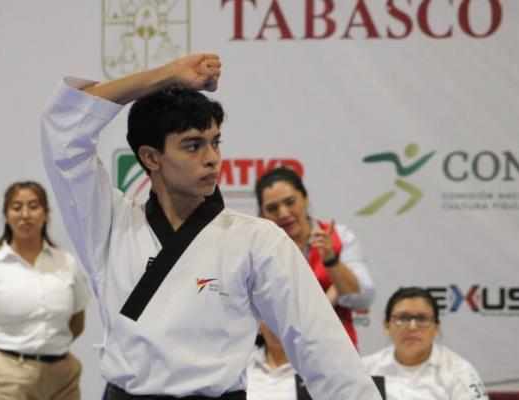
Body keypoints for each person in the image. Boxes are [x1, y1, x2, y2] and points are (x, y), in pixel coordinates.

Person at [41, 53, 380, 399]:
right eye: (193, 145)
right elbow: (65, 128)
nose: (211, 157)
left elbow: (322, 347)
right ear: (150, 157)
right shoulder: (111, 226)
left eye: (215, 142)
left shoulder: (257, 240)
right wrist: (169, 75)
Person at [0, 181, 88, 400]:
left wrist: (48, 348)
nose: (25, 215)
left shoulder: (67, 263)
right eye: (16, 207)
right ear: (6, 215)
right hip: (6, 376)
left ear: (46, 214)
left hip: (61, 377)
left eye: (33, 206)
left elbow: (77, 322)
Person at [254, 167, 375, 346]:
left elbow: (363, 298)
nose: (284, 213)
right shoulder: (257, 251)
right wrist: (329, 297)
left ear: (305, 198)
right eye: (272, 208)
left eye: (290, 202)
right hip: (278, 360)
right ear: (262, 214)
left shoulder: (338, 237)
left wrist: (332, 261)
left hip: (337, 352)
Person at [362, 287, 489, 400]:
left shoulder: (459, 371)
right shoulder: (365, 369)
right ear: (386, 325)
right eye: (402, 318)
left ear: (436, 327)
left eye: (422, 319)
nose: (412, 327)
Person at [245, 322, 313, 400]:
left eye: (283, 319)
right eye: (270, 318)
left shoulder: (310, 367)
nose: (277, 326)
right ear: (259, 324)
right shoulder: (244, 363)